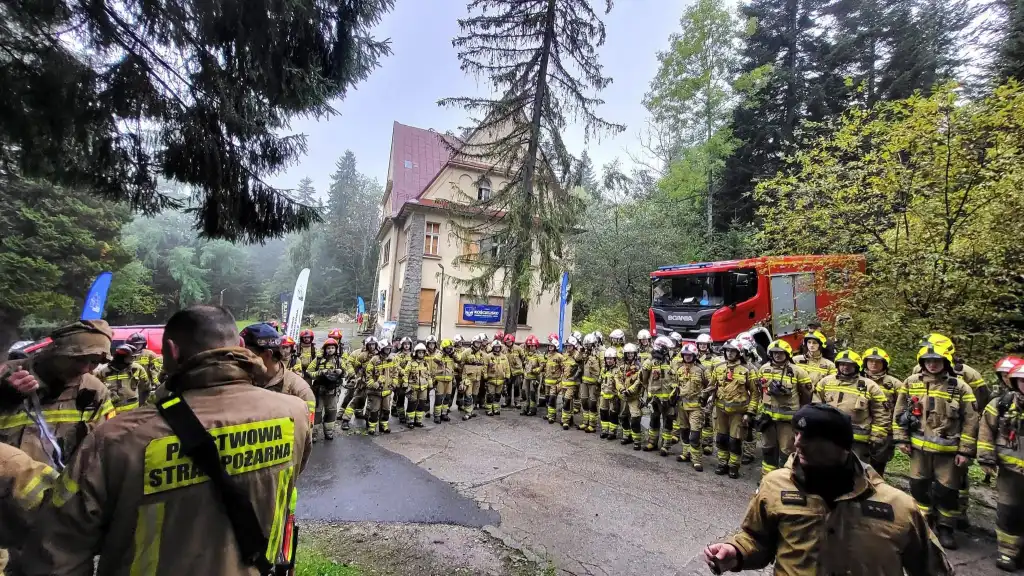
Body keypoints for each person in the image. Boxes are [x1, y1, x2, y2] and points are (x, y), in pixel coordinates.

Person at [21, 305, 312, 576]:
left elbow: (58, 552)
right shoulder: (293, 414)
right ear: (238, 348)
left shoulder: (116, 439)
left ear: (171, 351)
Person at [704, 403, 952, 576]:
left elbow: (933, 569)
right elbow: (757, 539)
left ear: (840, 446)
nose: (797, 442)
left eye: (810, 437)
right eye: (798, 433)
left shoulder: (898, 507)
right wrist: (735, 552)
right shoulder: (774, 486)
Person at [893, 339, 979, 549]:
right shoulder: (911, 381)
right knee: (918, 487)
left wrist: (965, 452)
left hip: (948, 452)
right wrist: (901, 439)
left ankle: (945, 527)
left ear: (945, 362)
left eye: (936, 360)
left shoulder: (959, 386)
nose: (932, 364)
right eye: (928, 360)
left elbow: (971, 420)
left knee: (947, 492)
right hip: (918, 450)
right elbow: (899, 412)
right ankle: (925, 524)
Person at [0, 320, 115, 467]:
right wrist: (4, 399)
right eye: (78, 359)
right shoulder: (6, 375)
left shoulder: (95, 391)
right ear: (55, 351)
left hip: (59, 486)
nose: (85, 369)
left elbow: (100, 447)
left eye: (94, 362)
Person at [913, 332, 989, 527]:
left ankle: (956, 516)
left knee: (955, 483)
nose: (931, 362)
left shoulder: (968, 375)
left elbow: (979, 404)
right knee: (924, 483)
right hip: (924, 441)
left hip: (953, 438)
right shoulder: (917, 372)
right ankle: (930, 518)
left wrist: (966, 444)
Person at [978, 358, 1024, 571]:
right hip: (1010, 471)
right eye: (1021, 380)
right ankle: (1007, 553)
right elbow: (986, 432)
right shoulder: (1001, 404)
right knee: (1008, 511)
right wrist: (986, 458)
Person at [814, 350, 890, 464]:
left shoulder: (870, 386)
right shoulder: (826, 382)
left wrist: (877, 435)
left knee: (856, 470)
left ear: (857, 366)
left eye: (849, 365)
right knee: (827, 466)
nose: (845, 367)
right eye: (842, 364)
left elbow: (881, 413)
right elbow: (815, 405)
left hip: (858, 440)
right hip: (828, 436)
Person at [755, 339, 811, 477]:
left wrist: (802, 414)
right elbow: (759, 391)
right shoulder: (764, 369)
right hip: (768, 418)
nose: (778, 356)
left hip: (788, 421)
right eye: (775, 353)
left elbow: (807, 395)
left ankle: (784, 479)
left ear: (787, 354)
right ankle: (766, 478)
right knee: (768, 449)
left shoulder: (798, 371)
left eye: (781, 353)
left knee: (786, 451)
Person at [241, 323, 316, 419]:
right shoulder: (242, 381)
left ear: (268, 354)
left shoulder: (300, 392)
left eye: (247, 354)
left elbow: (306, 429)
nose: (242, 359)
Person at [710, 339, 758, 478]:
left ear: (739, 353)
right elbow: (713, 386)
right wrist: (706, 397)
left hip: (739, 411)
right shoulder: (719, 367)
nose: (729, 353)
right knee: (721, 438)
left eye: (733, 351)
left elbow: (755, 393)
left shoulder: (748, 370)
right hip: (720, 410)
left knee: (735, 440)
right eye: (727, 351)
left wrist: (750, 412)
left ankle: (734, 466)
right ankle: (722, 463)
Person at [863, 346, 904, 475]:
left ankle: (877, 490)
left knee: (878, 464)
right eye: (870, 361)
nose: (873, 364)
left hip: (885, 431)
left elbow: (902, 408)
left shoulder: (895, 384)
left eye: (878, 361)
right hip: (862, 428)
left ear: (884, 364)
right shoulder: (857, 379)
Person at [674, 342, 710, 470]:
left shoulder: (702, 370)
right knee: (684, 431)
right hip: (682, 406)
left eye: (690, 355)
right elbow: (677, 386)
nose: (687, 357)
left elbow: (710, 386)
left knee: (694, 434)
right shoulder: (679, 370)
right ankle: (686, 453)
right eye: (685, 355)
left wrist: (705, 398)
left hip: (696, 407)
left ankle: (697, 460)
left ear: (694, 356)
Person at [309, 337, 347, 441]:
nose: (330, 350)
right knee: (317, 412)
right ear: (325, 349)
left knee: (331, 412)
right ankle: (313, 434)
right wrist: (320, 373)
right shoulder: (318, 359)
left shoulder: (339, 361)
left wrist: (341, 372)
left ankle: (329, 432)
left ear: (336, 349)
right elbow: (309, 372)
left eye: (332, 348)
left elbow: (346, 373)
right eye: (328, 348)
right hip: (319, 391)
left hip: (332, 391)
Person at [643, 335, 676, 455]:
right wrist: (649, 394)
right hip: (655, 398)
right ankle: (652, 442)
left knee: (668, 421)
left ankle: (666, 445)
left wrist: (674, 393)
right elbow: (644, 380)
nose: (669, 350)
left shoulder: (671, 361)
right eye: (666, 348)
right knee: (654, 419)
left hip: (668, 398)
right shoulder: (649, 362)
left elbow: (676, 378)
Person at [95, 344, 151, 412]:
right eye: (131, 357)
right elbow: (97, 391)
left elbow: (146, 388)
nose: (134, 359)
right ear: (121, 357)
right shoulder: (103, 371)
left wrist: (142, 406)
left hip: (132, 411)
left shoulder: (137, 369)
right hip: (111, 411)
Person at [340, 337, 375, 431]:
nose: (372, 346)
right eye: (369, 344)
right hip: (361, 382)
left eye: (373, 344)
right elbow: (355, 366)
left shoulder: (378, 355)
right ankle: (345, 419)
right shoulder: (359, 354)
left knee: (371, 403)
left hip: (373, 383)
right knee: (354, 399)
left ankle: (369, 420)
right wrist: (354, 376)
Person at [364, 339, 397, 435]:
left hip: (387, 391)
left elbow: (395, 372)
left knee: (386, 410)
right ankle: (372, 427)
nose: (388, 351)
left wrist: (394, 383)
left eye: (389, 349)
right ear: (381, 349)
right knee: (374, 410)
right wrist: (372, 384)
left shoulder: (392, 359)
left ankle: (384, 426)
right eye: (386, 349)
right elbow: (368, 374)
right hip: (375, 391)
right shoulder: (374, 359)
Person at [696, 333, 720, 455]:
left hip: (708, 391)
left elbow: (717, 376)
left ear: (709, 345)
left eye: (704, 344)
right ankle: (697, 441)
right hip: (695, 392)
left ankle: (708, 444)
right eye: (700, 344)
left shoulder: (714, 359)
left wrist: (712, 392)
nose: (702, 346)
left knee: (707, 418)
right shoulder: (694, 356)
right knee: (696, 417)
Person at [617, 343, 644, 450]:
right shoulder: (622, 366)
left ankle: (637, 440)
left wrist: (631, 390)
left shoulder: (639, 367)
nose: (630, 355)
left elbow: (640, 380)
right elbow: (617, 379)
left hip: (634, 397)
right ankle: (626, 435)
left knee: (635, 418)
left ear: (635, 354)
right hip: (624, 396)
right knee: (623, 416)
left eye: (632, 353)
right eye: (628, 353)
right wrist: (621, 389)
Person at [458, 335, 487, 421]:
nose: (478, 344)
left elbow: (484, 365)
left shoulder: (482, 354)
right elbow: (459, 361)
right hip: (468, 378)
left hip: (477, 378)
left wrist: (484, 374)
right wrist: (461, 373)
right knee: (468, 395)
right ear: (473, 343)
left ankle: (471, 410)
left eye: (479, 343)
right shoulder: (467, 352)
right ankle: (467, 413)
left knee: (475, 395)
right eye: (476, 342)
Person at [404, 343, 432, 428]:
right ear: (416, 353)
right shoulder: (411, 363)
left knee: (421, 404)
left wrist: (430, 385)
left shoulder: (426, 364)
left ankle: (418, 421)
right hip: (413, 388)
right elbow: (406, 373)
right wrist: (405, 384)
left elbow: (429, 375)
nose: (421, 354)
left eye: (422, 353)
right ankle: (410, 421)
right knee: (412, 404)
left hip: (423, 388)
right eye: (419, 352)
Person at [578, 334, 602, 433]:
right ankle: (585, 422)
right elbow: (577, 359)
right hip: (584, 382)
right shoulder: (585, 353)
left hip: (594, 384)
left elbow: (603, 367)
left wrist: (599, 381)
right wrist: (581, 351)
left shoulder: (599, 353)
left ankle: (592, 424)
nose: (588, 346)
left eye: (589, 344)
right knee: (583, 401)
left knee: (592, 403)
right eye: (586, 344)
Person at [598, 346, 621, 440]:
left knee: (613, 414)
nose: (609, 361)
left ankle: (612, 432)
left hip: (613, 396)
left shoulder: (618, 370)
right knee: (603, 412)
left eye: (611, 359)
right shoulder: (604, 369)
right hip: (604, 394)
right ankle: (604, 430)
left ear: (614, 359)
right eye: (607, 358)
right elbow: (600, 380)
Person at [558, 336, 581, 430]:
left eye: (570, 346)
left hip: (572, 384)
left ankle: (565, 421)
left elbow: (579, 362)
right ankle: (570, 418)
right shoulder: (565, 355)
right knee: (566, 401)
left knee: (567, 401)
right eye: (567, 346)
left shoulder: (576, 355)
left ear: (574, 346)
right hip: (564, 383)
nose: (568, 348)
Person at [433, 339, 458, 423]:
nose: (449, 350)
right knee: (439, 398)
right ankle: (437, 415)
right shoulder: (439, 354)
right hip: (440, 380)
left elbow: (459, 359)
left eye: (450, 348)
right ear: (443, 348)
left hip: (449, 380)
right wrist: (442, 352)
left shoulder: (451, 356)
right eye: (447, 348)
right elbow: (435, 359)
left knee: (447, 398)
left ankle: (444, 413)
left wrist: (453, 353)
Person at [484, 339, 510, 416]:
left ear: (500, 348)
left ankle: (495, 409)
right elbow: (484, 367)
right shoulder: (488, 356)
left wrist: (507, 376)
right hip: (491, 379)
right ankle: (488, 410)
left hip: (501, 380)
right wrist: (485, 376)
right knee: (490, 395)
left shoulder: (504, 357)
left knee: (498, 395)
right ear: (493, 347)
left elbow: (507, 367)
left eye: (498, 347)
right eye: (495, 347)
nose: (497, 348)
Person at [393, 337, 414, 424]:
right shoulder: (397, 355)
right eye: (405, 344)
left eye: (408, 344)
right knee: (400, 399)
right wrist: (403, 371)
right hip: (400, 381)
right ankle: (401, 416)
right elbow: (396, 365)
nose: (406, 346)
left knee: (411, 399)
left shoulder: (413, 355)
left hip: (411, 381)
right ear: (402, 345)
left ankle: (410, 417)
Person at [522, 335, 543, 416]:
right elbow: (525, 365)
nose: (531, 347)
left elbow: (542, 367)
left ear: (536, 346)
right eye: (529, 346)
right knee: (525, 393)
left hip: (534, 378)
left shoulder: (539, 355)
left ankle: (532, 409)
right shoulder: (527, 355)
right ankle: (525, 408)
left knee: (532, 393)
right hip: (526, 378)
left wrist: (534, 370)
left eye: (533, 346)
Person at [503, 333, 524, 410]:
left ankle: (517, 402)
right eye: (507, 342)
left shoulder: (518, 349)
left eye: (510, 342)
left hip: (517, 371)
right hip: (508, 372)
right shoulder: (503, 349)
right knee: (507, 387)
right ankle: (507, 401)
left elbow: (523, 358)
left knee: (516, 387)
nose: (508, 343)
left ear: (512, 341)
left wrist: (521, 367)